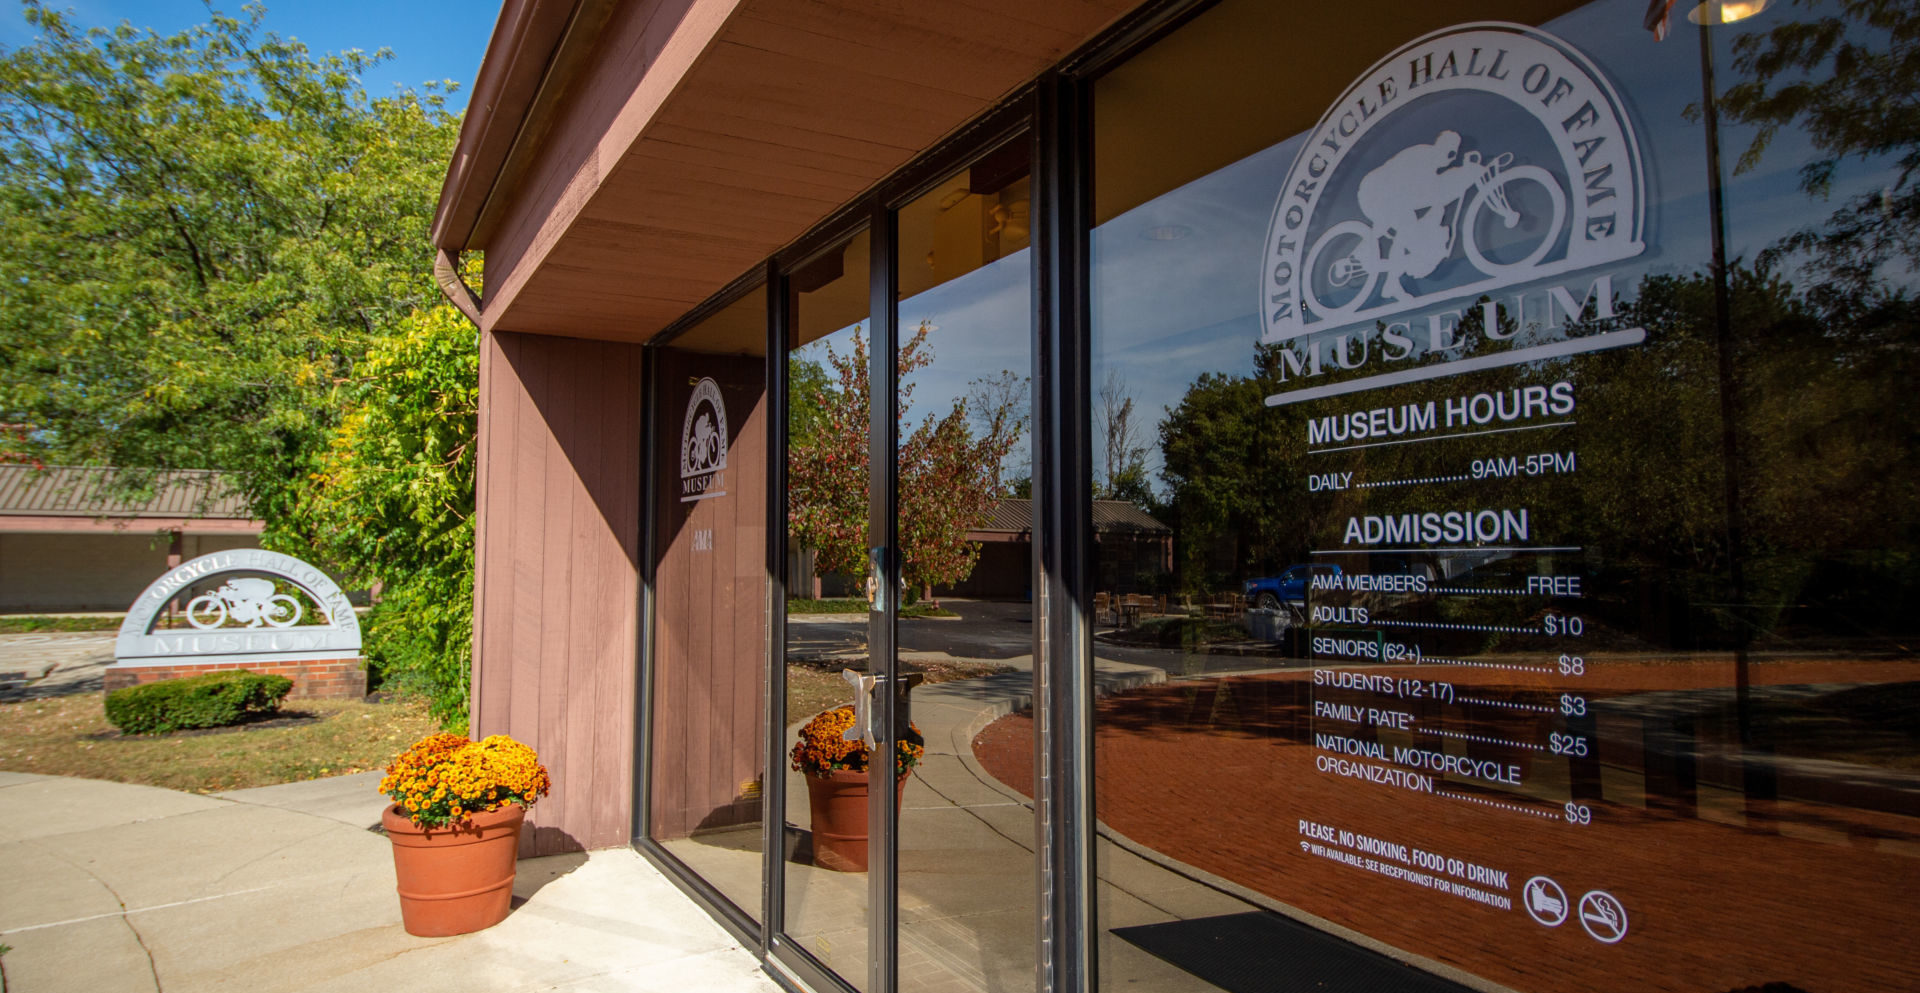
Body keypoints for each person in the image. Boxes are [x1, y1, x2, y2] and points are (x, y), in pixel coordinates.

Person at [1353, 130, 1483, 301]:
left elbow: (1431, 194)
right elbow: (1427, 192)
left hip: (1391, 195)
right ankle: (1390, 282)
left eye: (1454, 155)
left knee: (1411, 222)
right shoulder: (1422, 157)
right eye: (1449, 153)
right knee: (1406, 226)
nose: (1450, 159)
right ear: (1440, 147)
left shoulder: (1431, 163)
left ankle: (1381, 266)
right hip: (1374, 192)